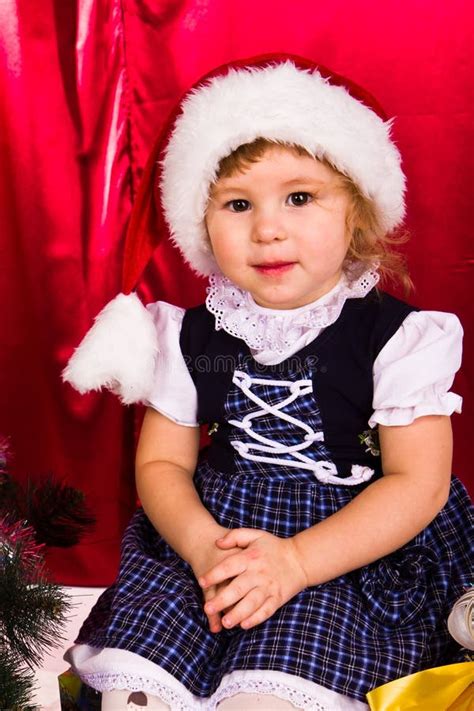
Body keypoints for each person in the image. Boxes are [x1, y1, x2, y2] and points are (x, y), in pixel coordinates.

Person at [63, 55, 473, 710]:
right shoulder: (190, 334)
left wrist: (299, 562)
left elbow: (418, 483)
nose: (268, 227)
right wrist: (202, 547)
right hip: (215, 536)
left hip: (347, 547)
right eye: (237, 203)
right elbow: (163, 461)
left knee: (272, 695)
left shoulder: (398, 338)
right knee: (139, 683)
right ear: (201, 218)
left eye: (300, 197)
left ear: (359, 213)